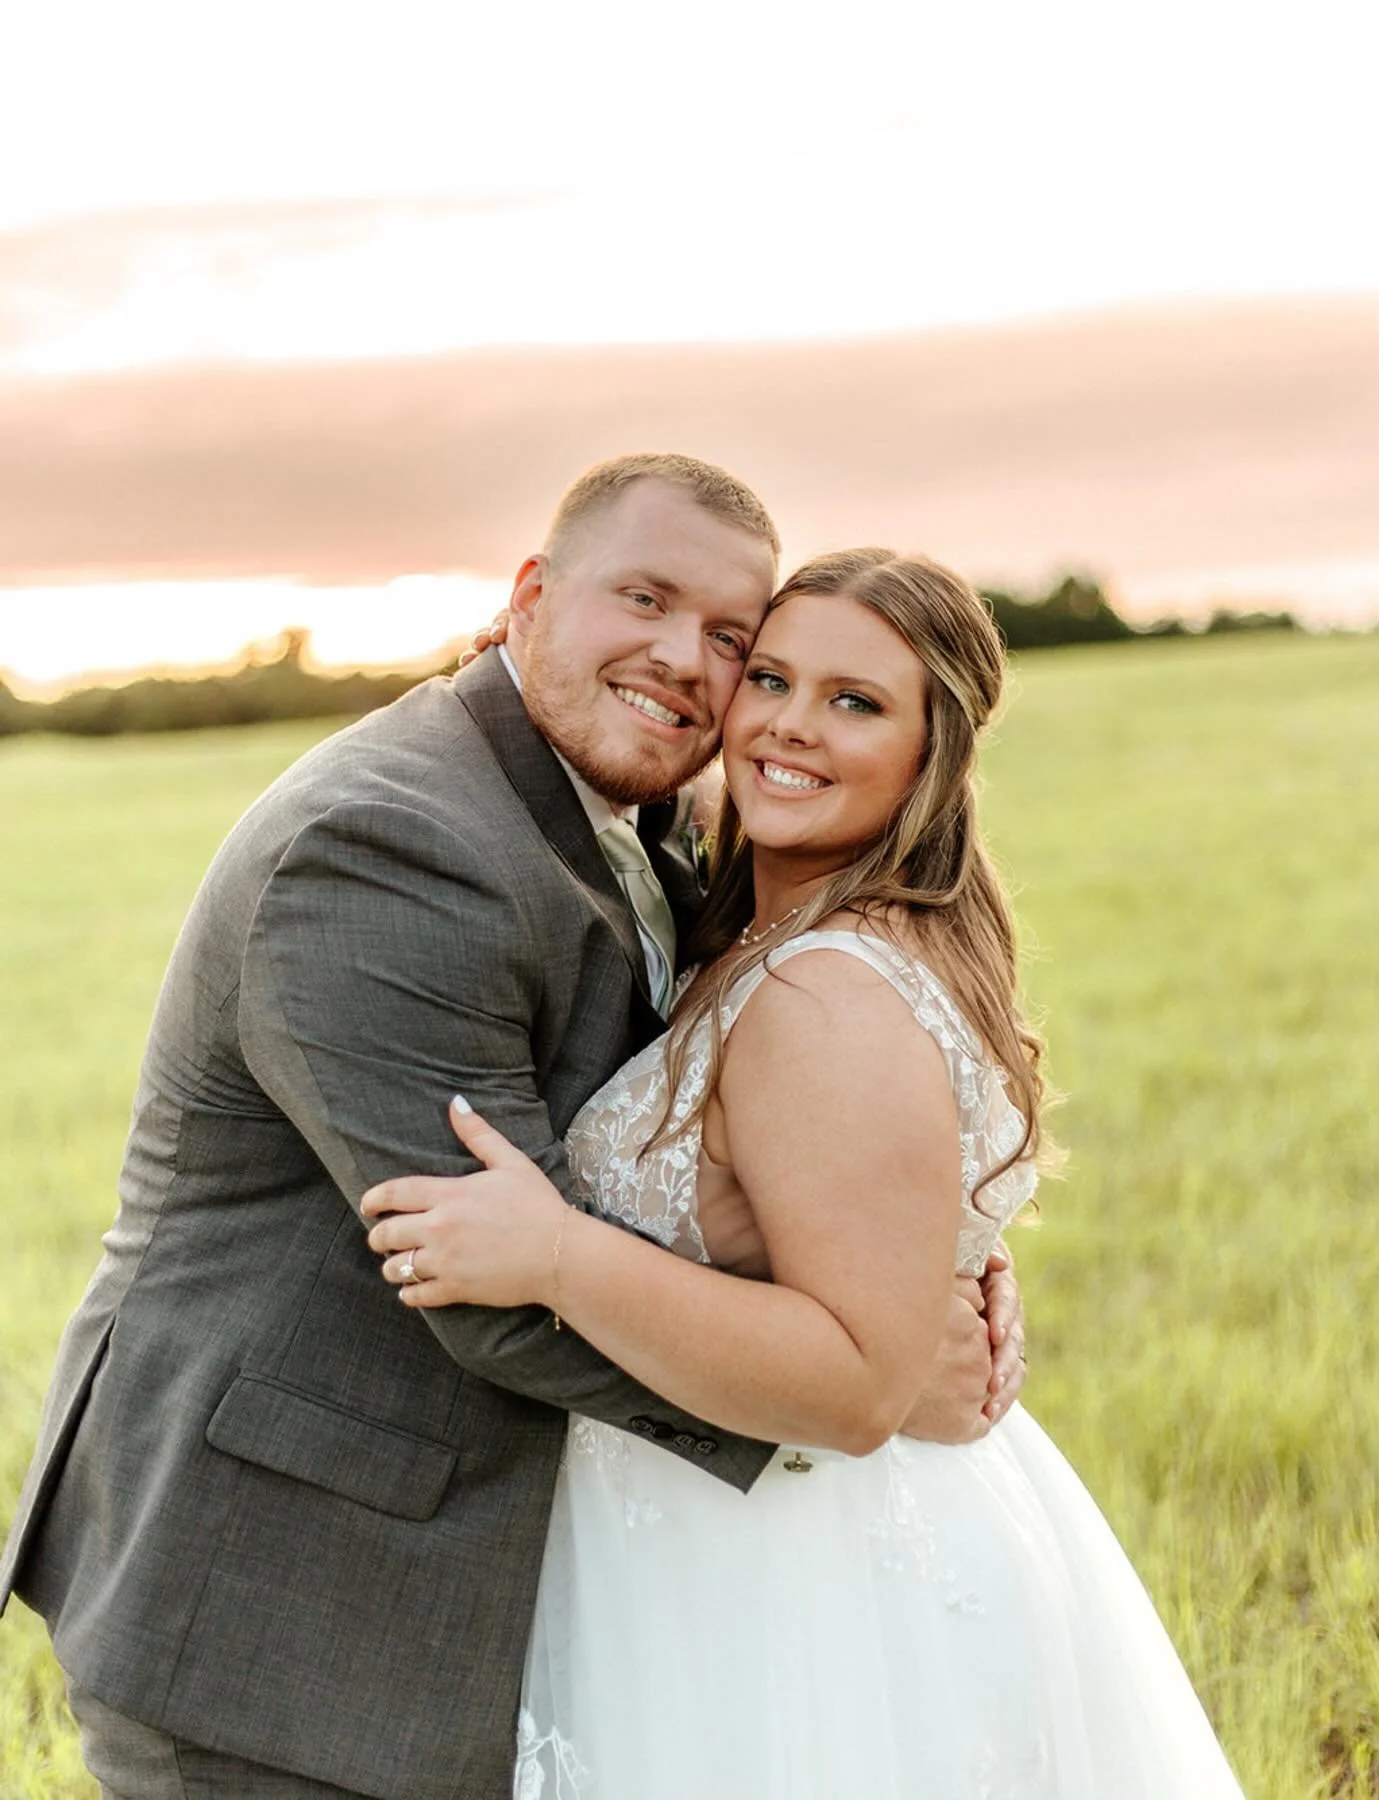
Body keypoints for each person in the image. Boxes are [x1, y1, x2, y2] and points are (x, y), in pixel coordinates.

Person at [0, 456, 1023, 1800]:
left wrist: (894, 1281)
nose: (688, 663)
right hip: (280, 1603)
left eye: (731, 639)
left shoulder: (648, 820)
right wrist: (854, 1391)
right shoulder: (389, 842)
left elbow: (764, 1155)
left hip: (458, 1587)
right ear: (530, 596)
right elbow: (483, 1282)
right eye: (644, 599)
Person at [362, 548, 1247, 1798]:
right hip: (732, 1544)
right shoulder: (776, 938)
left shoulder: (823, 991)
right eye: (769, 676)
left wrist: (557, 1253)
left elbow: (850, 1384)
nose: (788, 724)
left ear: (932, 751)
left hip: (803, 1586)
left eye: (856, 701)